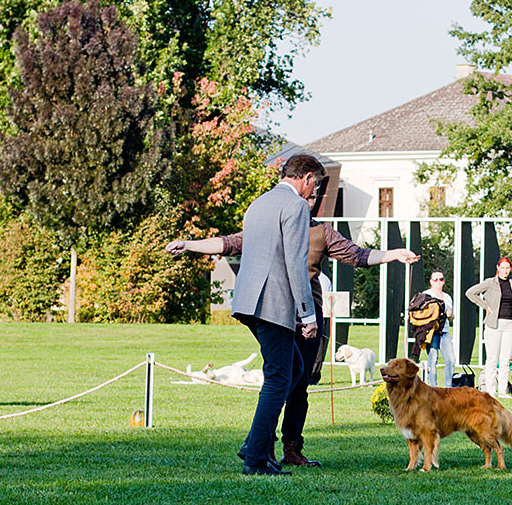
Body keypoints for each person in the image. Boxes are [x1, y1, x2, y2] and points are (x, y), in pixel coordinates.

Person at [167, 173, 419, 472]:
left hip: (309, 312)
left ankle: (287, 447)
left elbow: (358, 255)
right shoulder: (274, 227)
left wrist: (393, 255)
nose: (307, 202)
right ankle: (258, 446)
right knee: (285, 376)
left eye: (311, 199)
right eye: (306, 197)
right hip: (282, 312)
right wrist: (189, 245)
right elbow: (228, 243)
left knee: (298, 382)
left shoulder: (322, 233)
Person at [465, 258, 512, 398]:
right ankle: (490, 391)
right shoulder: (490, 283)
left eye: (508, 268)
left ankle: (503, 390)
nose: (505, 271)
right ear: (498, 267)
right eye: (503, 267)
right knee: (492, 358)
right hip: (493, 324)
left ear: (510, 269)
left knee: (506, 358)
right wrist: (485, 306)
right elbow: (470, 293)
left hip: (509, 324)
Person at [422, 270, 456, 387]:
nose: (438, 282)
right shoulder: (426, 295)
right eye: (435, 279)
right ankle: (433, 388)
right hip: (431, 332)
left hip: (444, 331)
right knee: (432, 360)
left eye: (441, 279)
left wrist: (450, 314)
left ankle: (448, 388)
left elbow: (451, 318)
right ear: (431, 281)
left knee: (451, 360)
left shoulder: (447, 297)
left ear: (444, 281)